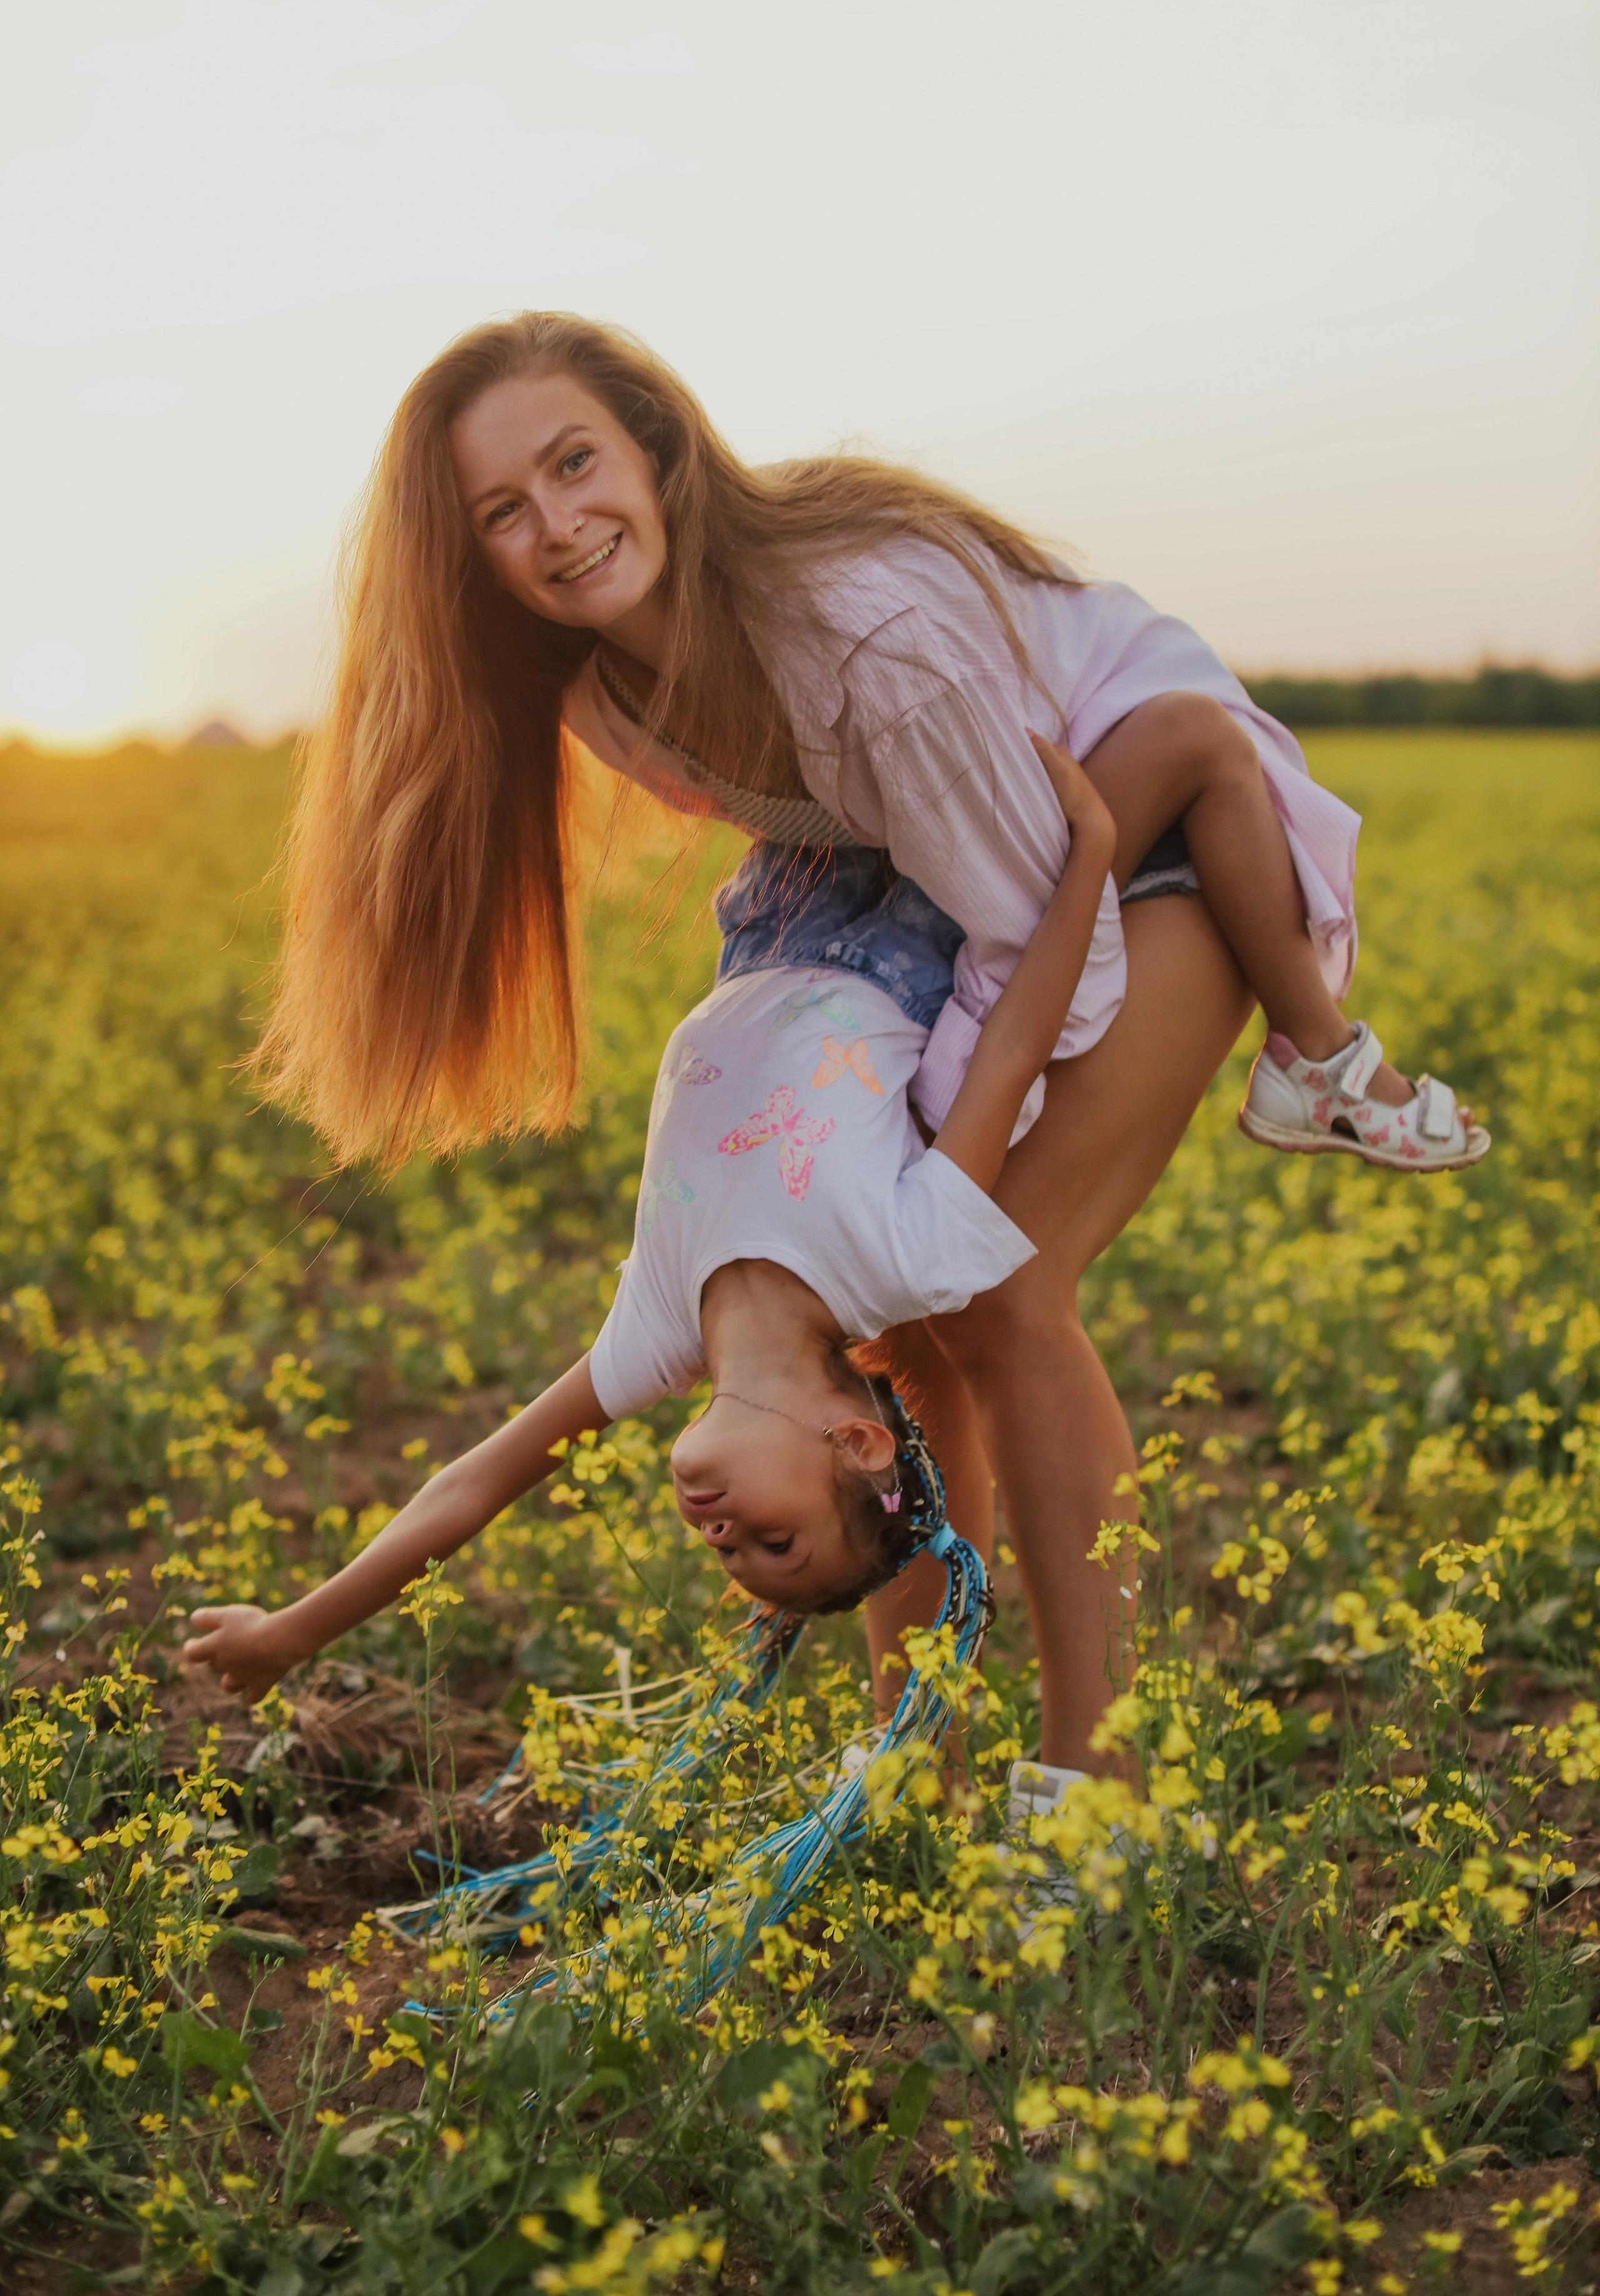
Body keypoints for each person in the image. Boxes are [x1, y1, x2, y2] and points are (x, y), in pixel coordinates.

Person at [243, 312, 1486, 1780]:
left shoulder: (869, 637)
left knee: (999, 1296)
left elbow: (1049, 931)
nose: (555, 528)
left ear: (654, 444)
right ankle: (917, 1765)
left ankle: (1095, 1783)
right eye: (499, 515)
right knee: (907, 1318)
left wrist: (939, 1141)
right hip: (974, 905)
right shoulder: (602, 690)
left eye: (573, 464)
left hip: (1121, 852)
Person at [183, 740, 1115, 1697]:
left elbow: (469, 1488)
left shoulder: (653, 1337)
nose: (719, 1535)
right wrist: (1089, 854)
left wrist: (293, 1632)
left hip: (775, 913)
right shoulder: (904, 1265)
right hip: (931, 935)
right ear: (857, 1442)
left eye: (728, 1555)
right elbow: (1006, 1054)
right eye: (773, 1539)